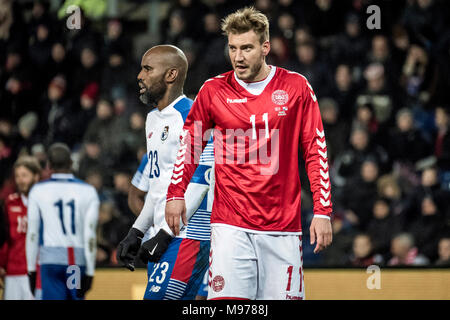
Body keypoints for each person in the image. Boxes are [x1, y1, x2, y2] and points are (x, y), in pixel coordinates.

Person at [165, 7, 333, 300]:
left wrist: (322, 210)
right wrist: (176, 193)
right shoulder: (213, 90)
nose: (238, 57)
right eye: (232, 48)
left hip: (282, 227)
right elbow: (190, 146)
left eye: (246, 48)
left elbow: (315, 150)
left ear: (265, 47)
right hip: (230, 225)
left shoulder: (296, 88)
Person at [116, 45, 214, 300]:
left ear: (171, 75)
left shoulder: (193, 116)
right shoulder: (153, 119)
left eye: (148, 68)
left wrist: (166, 233)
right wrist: (137, 231)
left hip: (187, 235)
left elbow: (199, 182)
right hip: (164, 234)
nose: (140, 75)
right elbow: (158, 187)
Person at [25, 143, 100, 300]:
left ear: (49, 165)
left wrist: (31, 269)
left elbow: (32, 233)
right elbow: (90, 235)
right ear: (71, 163)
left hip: (49, 262)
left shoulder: (38, 190)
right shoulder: (88, 191)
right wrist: (91, 271)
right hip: (74, 262)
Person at [0, 156, 41, 299]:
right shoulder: (10, 203)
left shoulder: (44, 203)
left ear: (35, 176)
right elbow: (4, 237)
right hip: (12, 272)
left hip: (36, 273)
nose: (20, 180)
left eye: (24, 175)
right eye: (17, 176)